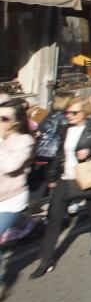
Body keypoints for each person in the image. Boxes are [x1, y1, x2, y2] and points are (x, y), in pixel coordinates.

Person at [32, 97, 91, 278]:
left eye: (74, 113)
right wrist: (52, 177)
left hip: (85, 176)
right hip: (64, 178)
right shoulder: (64, 129)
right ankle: (46, 261)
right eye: (67, 112)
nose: (69, 116)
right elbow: (60, 154)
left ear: (84, 112)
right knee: (54, 218)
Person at [0, 100, 34, 239]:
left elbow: (10, 166)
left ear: (17, 122)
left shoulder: (24, 140)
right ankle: (25, 224)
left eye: (4, 119)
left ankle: (24, 224)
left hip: (11, 199)